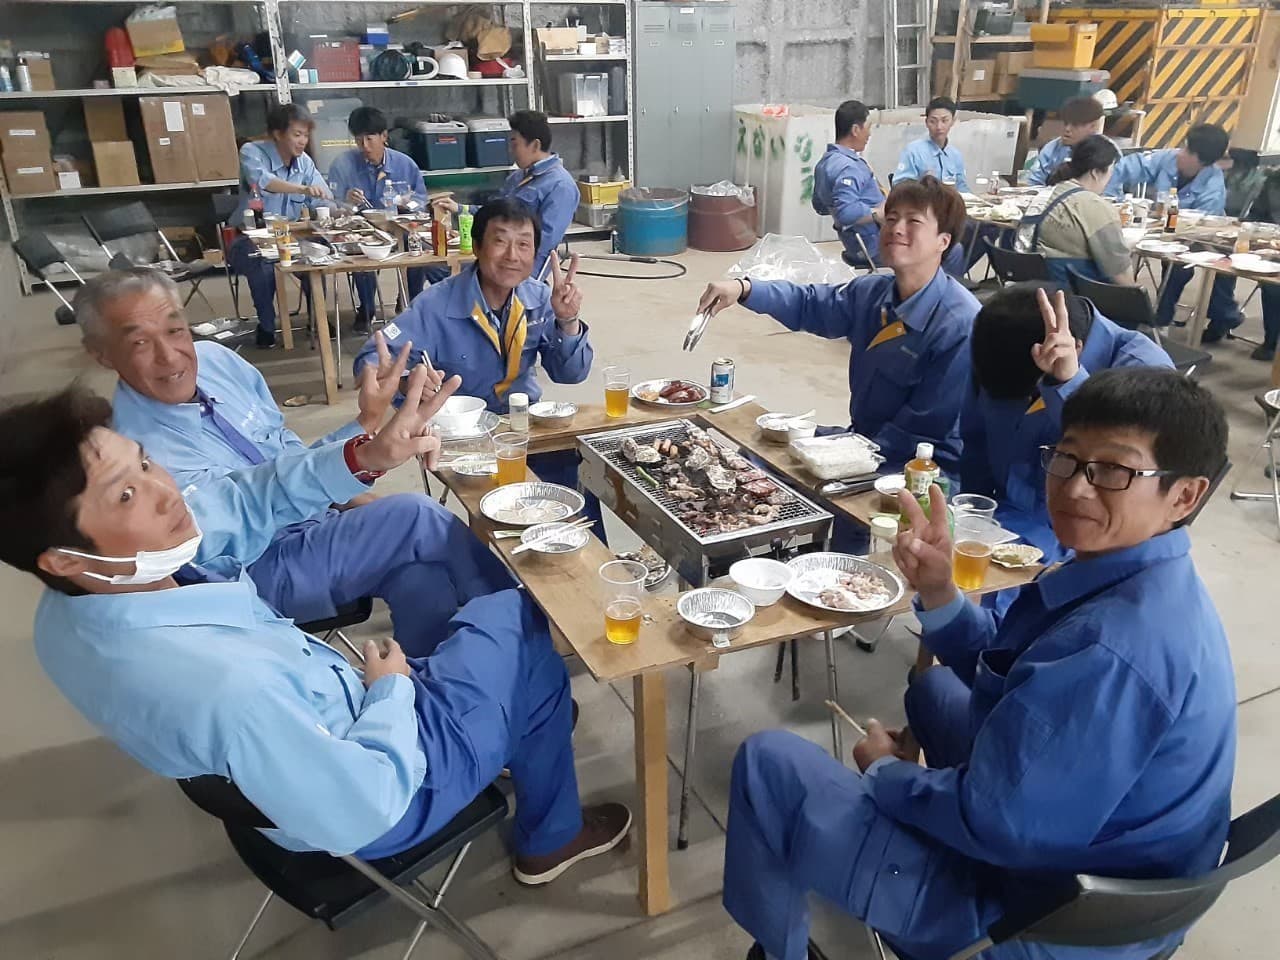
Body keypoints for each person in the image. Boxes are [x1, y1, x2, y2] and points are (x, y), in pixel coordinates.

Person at [1, 374, 632, 883]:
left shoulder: (74, 605)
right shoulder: (228, 688)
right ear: (64, 559)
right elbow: (367, 805)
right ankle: (549, 833)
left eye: (146, 463)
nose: (167, 493)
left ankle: (513, 730)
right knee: (522, 617)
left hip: (310, 736)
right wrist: (392, 694)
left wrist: (366, 453)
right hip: (392, 776)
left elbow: (243, 500)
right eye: (125, 495)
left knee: (438, 567)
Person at [723, 366, 1234, 960]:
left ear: (1185, 495)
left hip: (1040, 917)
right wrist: (939, 591)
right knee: (934, 689)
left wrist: (886, 774)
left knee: (769, 764)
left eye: (1115, 471)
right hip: (1095, 860)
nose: (1075, 488)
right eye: (1068, 458)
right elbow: (1021, 672)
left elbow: (1002, 828)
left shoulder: (1116, 649)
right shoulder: (1135, 574)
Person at [79, 268, 513, 657]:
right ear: (102, 354)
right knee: (415, 515)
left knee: (423, 577)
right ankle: (525, 628)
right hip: (258, 569)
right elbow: (244, 513)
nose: (170, 355)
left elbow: (288, 459)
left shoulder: (216, 361)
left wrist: (366, 422)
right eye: (139, 342)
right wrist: (362, 461)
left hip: (316, 530)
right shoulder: (132, 453)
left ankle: (447, 689)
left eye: (176, 330)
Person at [699, 176, 977, 477]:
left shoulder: (960, 324)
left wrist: (839, 457)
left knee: (810, 485)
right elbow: (810, 303)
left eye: (914, 221)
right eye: (891, 218)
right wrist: (745, 288)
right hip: (866, 441)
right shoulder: (872, 293)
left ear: (943, 241)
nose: (896, 229)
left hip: (921, 465)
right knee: (756, 458)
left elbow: (924, 427)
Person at [352, 197, 600, 527]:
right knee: (507, 513)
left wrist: (568, 321)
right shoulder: (436, 304)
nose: (512, 256)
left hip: (524, 428)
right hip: (463, 440)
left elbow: (571, 374)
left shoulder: (540, 299)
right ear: (478, 247)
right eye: (500, 241)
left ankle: (585, 552)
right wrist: (404, 380)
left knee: (580, 476)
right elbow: (372, 359)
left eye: (524, 245)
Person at [960, 283, 1172, 568]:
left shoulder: (1144, 372)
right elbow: (975, 444)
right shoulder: (996, 342)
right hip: (1004, 525)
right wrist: (969, 523)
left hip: (1085, 544)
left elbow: (1120, 475)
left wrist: (1069, 384)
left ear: (1077, 349)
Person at [1116, 124, 1239, 340]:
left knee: (1180, 265)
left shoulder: (1213, 184)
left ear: (1202, 162)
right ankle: (1123, 312)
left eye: (1187, 150)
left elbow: (1198, 229)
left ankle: (1163, 320)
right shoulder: (1166, 158)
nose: (1180, 153)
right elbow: (1121, 169)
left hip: (1201, 238)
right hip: (1161, 230)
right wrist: (1112, 199)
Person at [226, 103, 333, 348]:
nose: (303, 141)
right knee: (262, 267)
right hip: (249, 236)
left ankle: (317, 319)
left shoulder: (304, 162)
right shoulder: (251, 151)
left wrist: (341, 204)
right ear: (277, 133)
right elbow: (263, 181)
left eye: (306, 135)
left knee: (316, 256)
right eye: (297, 134)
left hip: (290, 236)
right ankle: (267, 325)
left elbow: (322, 197)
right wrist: (303, 189)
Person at [430, 110, 577, 284]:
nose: (510, 150)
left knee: (458, 280)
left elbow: (545, 241)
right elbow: (494, 212)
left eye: (514, 144)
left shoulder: (561, 186)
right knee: (435, 266)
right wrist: (459, 209)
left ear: (535, 145)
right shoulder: (517, 177)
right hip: (497, 252)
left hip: (519, 264)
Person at [327, 106, 431, 332]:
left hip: (398, 229)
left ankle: (411, 303)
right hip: (361, 231)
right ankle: (366, 308)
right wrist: (346, 201)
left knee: (419, 248)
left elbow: (421, 202)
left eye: (370, 139)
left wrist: (407, 204)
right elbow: (330, 205)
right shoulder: (343, 164)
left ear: (384, 136)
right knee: (360, 253)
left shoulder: (405, 164)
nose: (364, 146)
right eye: (358, 140)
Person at [1016, 134, 1134, 285]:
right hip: (1074, 294)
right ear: (1096, 173)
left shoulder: (1042, 195)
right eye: (1110, 172)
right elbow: (1121, 276)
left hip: (1032, 287)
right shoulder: (1096, 207)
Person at [1027, 95, 1122, 198]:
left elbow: (1112, 195)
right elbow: (1034, 184)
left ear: (1094, 126)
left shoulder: (1108, 152)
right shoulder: (1052, 149)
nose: (1067, 129)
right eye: (1066, 123)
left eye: (1075, 125)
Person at [895, 96, 969, 192]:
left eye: (944, 121)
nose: (939, 127)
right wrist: (921, 184)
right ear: (926, 122)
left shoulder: (955, 155)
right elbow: (898, 187)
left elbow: (962, 187)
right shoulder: (913, 151)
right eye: (933, 121)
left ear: (953, 121)